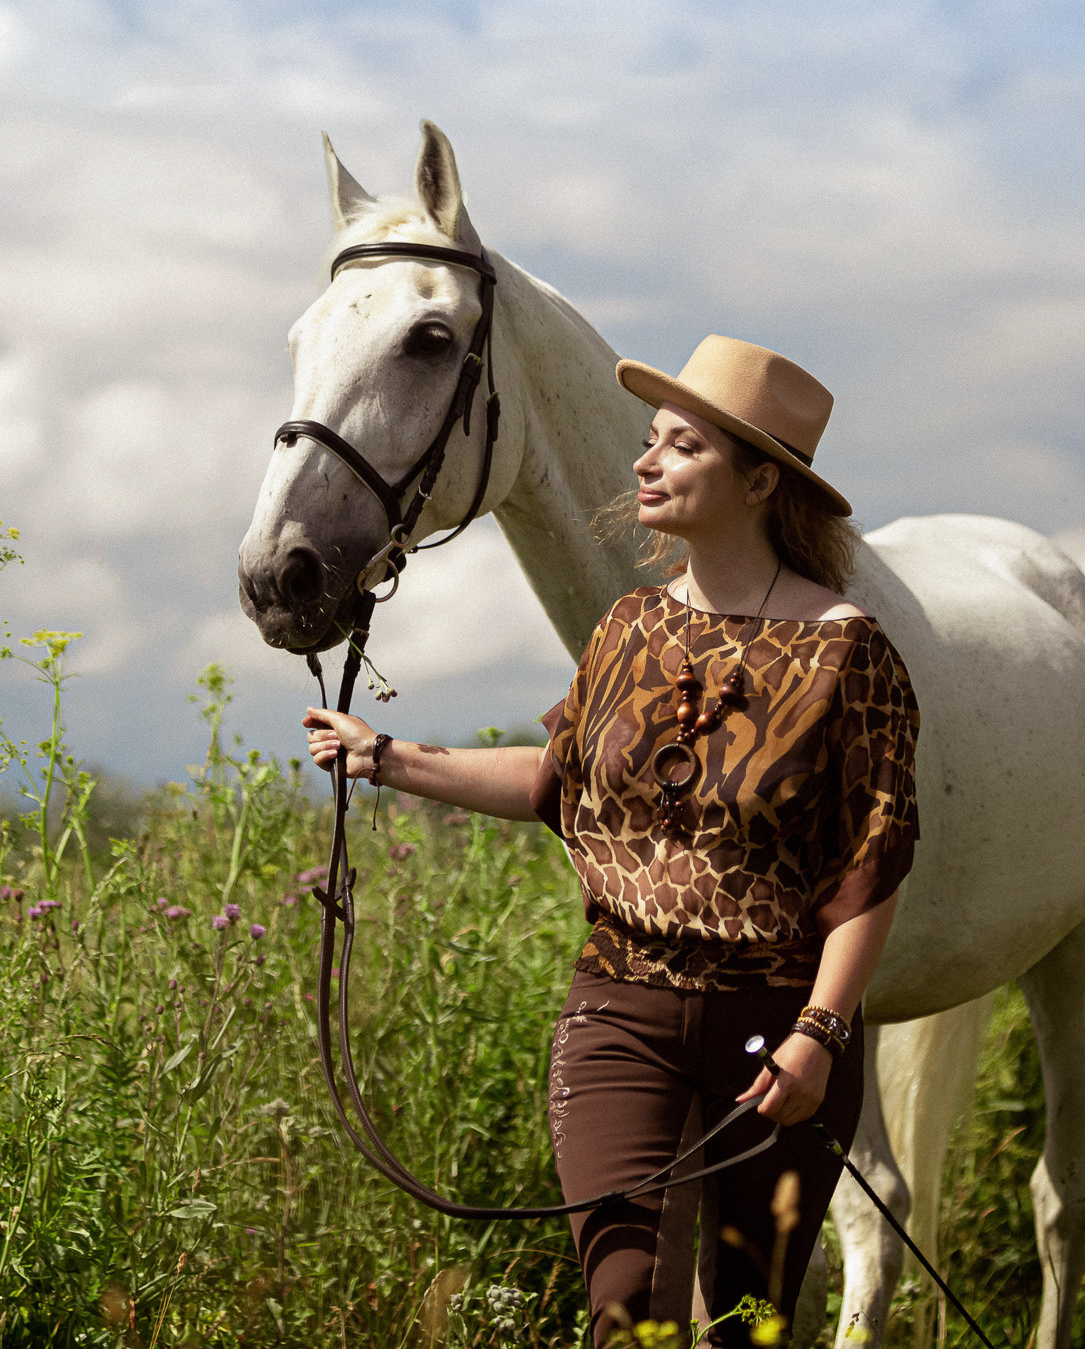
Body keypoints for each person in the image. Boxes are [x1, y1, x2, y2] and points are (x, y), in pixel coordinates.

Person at [305, 336, 920, 1347]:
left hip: (775, 1030)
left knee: (745, 1327)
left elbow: (871, 864)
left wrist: (823, 1031)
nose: (646, 463)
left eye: (682, 447)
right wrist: (388, 757)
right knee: (623, 1314)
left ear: (762, 480)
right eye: (651, 440)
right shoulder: (625, 627)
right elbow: (556, 782)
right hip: (618, 1014)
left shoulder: (849, 651)